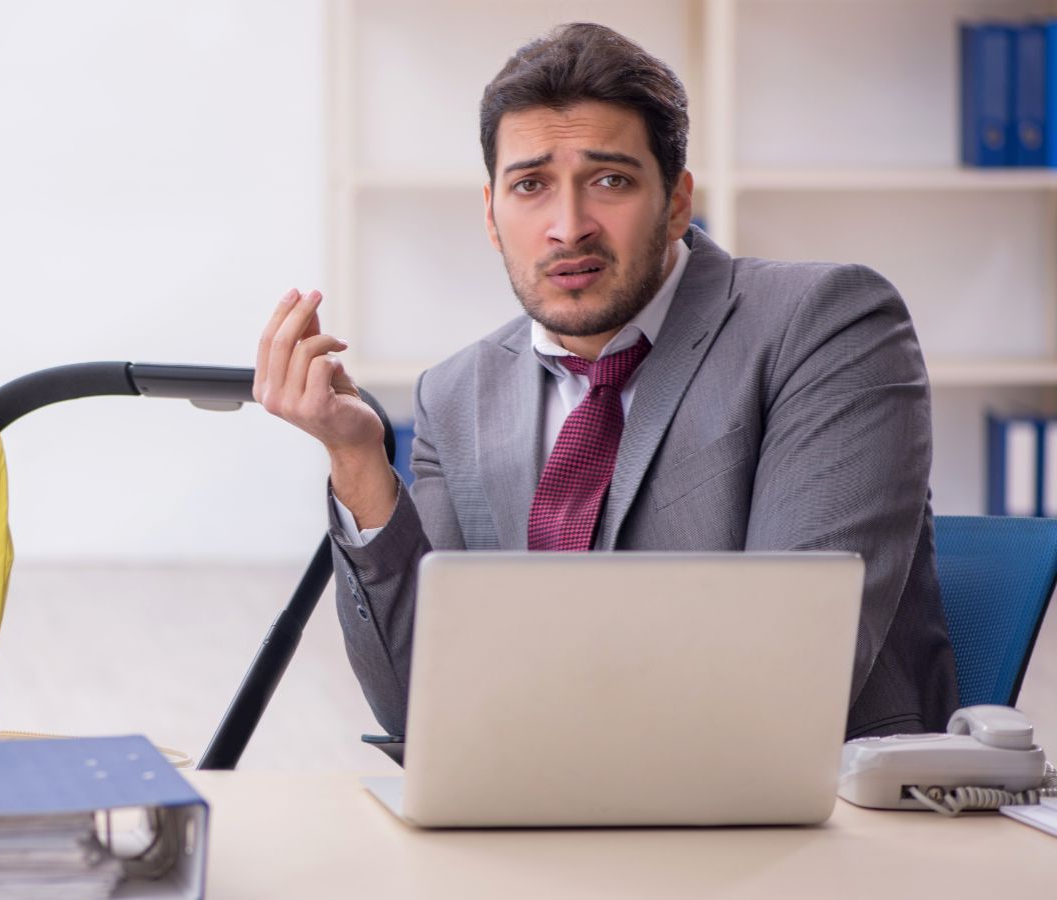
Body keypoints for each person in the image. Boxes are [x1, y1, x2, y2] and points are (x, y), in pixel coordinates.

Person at [253, 22, 956, 740]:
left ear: (678, 201)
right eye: (530, 186)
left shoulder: (822, 323)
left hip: (803, 822)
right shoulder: (456, 394)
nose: (568, 226)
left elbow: (800, 661)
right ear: (492, 217)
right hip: (542, 815)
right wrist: (356, 460)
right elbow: (418, 709)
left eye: (610, 180)